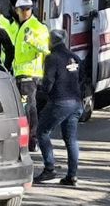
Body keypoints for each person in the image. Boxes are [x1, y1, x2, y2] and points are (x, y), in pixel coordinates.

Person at [33, 30, 84, 186]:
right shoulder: (75, 57)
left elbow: (48, 82)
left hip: (60, 102)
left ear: (51, 41)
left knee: (41, 132)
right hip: (76, 102)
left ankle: (49, 168)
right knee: (71, 139)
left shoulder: (52, 58)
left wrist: (40, 91)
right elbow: (81, 79)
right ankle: (72, 175)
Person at [12, 0, 50, 152]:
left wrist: (32, 40)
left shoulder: (37, 26)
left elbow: (46, 49)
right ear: (17, 11)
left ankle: (32, 140)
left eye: (28, 9)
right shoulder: (21, 26)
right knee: (25, 108)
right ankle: (28, 139)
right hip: (20, 74)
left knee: (28, 108)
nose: (26, 12)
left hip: (30, 74)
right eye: (23, 9)